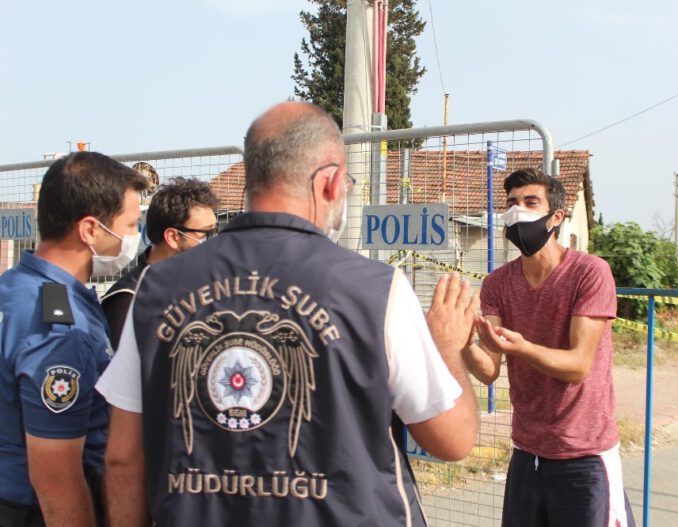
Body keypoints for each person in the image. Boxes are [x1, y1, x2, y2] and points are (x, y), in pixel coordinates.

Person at [97, 101, 478, 526]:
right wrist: (447, 346)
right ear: (330, 182)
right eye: (348, 184)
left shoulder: (154, 289)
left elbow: (123, 458)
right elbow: (453, 439)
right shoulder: (377, 290)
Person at [465, 168, 635, 527]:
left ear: (556, 217)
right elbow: (489, 370)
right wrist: (463, 343)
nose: (518, 211)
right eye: (512, 203)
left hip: (585, 455)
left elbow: (578, 365)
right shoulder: (497, 283)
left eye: (531, 202)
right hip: (527, 453)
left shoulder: (590, 273)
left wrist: (523, 348)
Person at [0, 152, 147, 527]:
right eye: (131, 225)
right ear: (90, 230)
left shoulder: (16, 286)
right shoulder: (60, 331)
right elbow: (57, 478)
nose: (135, 238)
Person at [101, 176, 220, 350]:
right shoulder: (129, 300)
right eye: (205, 234)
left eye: (216, 231)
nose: (215, 242)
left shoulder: (205, 286)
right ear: (173, 237)